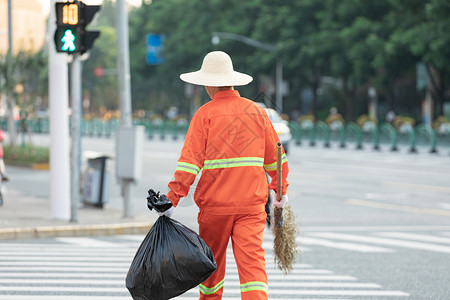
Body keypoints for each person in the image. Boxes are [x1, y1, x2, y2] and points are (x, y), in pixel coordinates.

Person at [153, 51, 289, 300]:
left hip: (215, 209)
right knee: (253, 270)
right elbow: (277, 161)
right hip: (251, 208)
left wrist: (172, 199)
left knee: (211, 272)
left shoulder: (204, 115)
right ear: (232, 80)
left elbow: (188, 166)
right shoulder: (257, 113)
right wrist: (280, 194)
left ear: (209, 83)